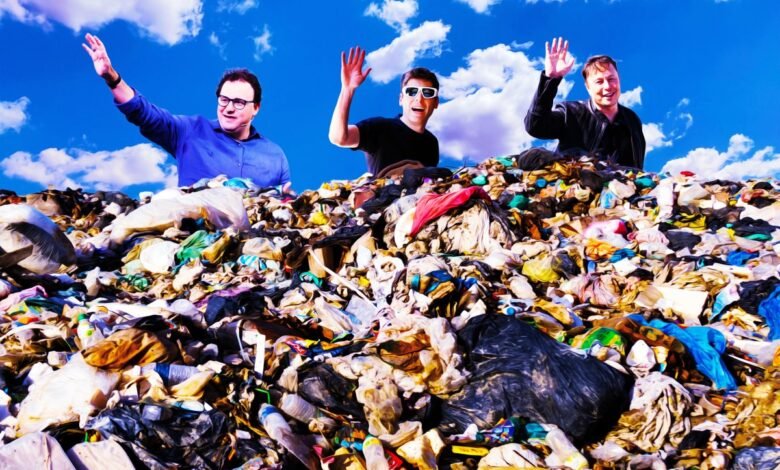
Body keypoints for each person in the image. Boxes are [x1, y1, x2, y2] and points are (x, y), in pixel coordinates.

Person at [82, 33, 291, 189]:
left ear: (256, 108)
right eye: (224, 99)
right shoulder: (190, 130)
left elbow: (287, 202)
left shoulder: (275, 155)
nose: (228, 108)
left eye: (238, 102)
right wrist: (112, 78)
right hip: (193, 238)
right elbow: (145, 114)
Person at [524, 37, 645, 169]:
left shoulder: (631, 120)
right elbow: (535, 126)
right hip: (575, 183)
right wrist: (551, 79)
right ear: (588, 87)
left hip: (618, 186)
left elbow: (636, 167)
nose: (607, 86)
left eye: (611, 79)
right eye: (599, 82)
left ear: (619, 80)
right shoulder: (571, 112)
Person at [328, 46, 440, 176]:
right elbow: (339, 138)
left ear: (436, 103)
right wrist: (347, 89)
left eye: (427, 93)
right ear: (401, 99)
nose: (418, 99)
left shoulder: (431, 143)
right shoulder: (380, 128)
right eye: (411, 92)